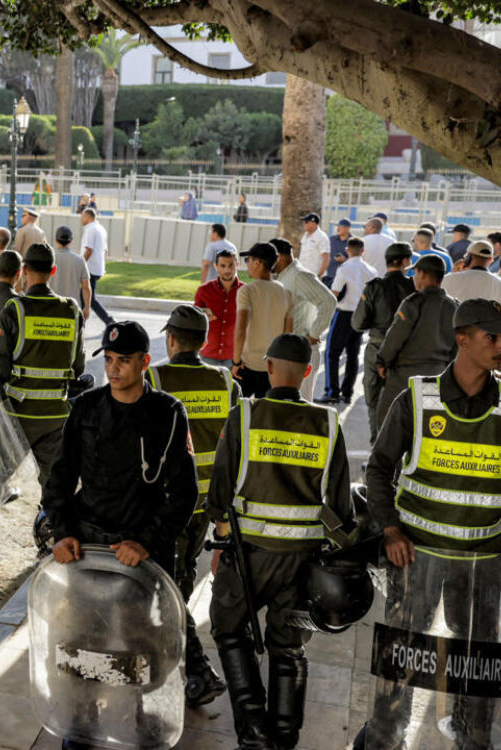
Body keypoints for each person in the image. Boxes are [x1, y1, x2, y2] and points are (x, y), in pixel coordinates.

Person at [362, 298, 501, 750]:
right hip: (417, 555)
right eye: (492, 338)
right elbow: (379, 469)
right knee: (403, 650)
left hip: (483, 562)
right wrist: (390, 529)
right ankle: (387, 734)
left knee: (477, 658)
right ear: (463, 340)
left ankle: (470, 734)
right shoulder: (418, 399)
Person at [206, 333, 352, 750]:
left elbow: (220, 492)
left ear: (267, 367)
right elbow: (341, 508)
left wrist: (221, 539)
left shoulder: (246, 414)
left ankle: (254, 734)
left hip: (248, 555)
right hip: (303, 562)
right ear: (308, 372)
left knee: (230, 631)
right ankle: (284, 736)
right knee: (288, 647)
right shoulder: (328, 423)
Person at [0, 244, 85, 563]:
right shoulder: (72, 311)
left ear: (25, 272)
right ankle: (51, 547)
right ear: (52, 272)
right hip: (56, 417)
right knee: (54, 486)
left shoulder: (14, 310)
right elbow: (78, 368)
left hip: (15, 416)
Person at [42, 318, 195, 575]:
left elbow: (184, 492)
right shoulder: (86, 407)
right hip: (86, 545)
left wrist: (146, 542)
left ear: (144, 362)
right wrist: (62, 533)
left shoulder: (168, 412)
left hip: (141, 550)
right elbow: (60, 477)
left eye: (123, 360)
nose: (113, 369)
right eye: (108, 359)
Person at [146, 305, 238, 708]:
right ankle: (172, 650)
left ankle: (197, 668)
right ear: (202, 342)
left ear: (170, 339)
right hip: (204, 502)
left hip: (165, 500)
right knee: (181, 574)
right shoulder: (223, 381)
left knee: (161, 579)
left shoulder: (155, 378)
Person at [375, 253, 459, 428]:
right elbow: (457, 347)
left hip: (404, 377)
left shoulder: (413, 303)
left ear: (422, 274)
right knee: (426, 429)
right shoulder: (454, 306)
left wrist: (382, 361)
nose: (413, 278)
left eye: (414, 274)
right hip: (438, 377)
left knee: (387, 427)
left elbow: (395, 337)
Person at [352, 243, 415, 443]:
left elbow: (357, 323)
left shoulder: (374, 287)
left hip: (377, 347)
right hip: (406, 350)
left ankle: (376, 441)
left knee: (374, 397)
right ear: (405, 261)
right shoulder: (414, 288)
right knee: (404, 398)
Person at [272, 238, 336, 401]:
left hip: (302, 350)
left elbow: (328, 301)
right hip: (290, 350)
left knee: (302, 403)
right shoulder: (285, 275)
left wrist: (314, 335)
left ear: (279, 256)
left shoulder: (299, 275)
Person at [318, 237, 375, 406]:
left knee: (332, 353)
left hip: (343, 314)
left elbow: (334, 293)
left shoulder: (344, 268)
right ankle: (347, 393)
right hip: (361, 315)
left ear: (347, 250)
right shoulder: (371, 270)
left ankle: (332, 391)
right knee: (353, 355)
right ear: (363, 251)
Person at [233, 243, 293, 398]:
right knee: (263, 418)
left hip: (247, 366)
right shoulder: (286, 294)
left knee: (238, 414)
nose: (247, 265)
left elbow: (240, 328)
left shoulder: (246, 291)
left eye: (248, 260)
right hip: (272, 368)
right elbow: (288, 335)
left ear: (257, 263)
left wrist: (236, 362)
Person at [195, 248, 243, 368]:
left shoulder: (245, 292)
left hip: (233, 358)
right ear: (216, 266)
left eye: (231, 265)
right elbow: (195, 321)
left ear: (237, 265)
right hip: (206, 355)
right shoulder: (204, 291)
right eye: (223, 266)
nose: (227, 270)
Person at [80, 208, 115, 326]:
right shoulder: (101, 229)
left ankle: (108, 320)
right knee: (85, 297)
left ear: (88, 217)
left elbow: (89, 250)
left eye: (82, 216)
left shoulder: (91, 229)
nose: (81, 218)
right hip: (96, 268)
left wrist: (80, 265)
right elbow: (105, 250)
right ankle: (80, 321)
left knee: (89, 298)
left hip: (89, 268)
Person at [48, 231, 91, 316]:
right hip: (73, 309)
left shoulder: (49, 259)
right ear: (71, 241)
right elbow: (86, 287)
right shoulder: (80, 260)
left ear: (56, 240)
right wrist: (87, 308)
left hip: (52, 307)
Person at [297, 213, 330, 279]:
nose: (304, 224)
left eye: (306, 222)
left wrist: (319, 275)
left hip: (314, 276)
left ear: (313, 223)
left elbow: (326, 258)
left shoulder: (321, 237)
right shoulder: (305, 235)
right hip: (302, 275)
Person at [324, 218, 352, 287]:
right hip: (329, 276)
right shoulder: (331, 239)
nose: (338, 229)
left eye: (340, 226)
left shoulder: (353, 241)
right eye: (338, 226)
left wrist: (345, 260)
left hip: (345, 279)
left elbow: (357, 260)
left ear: (347, 228)